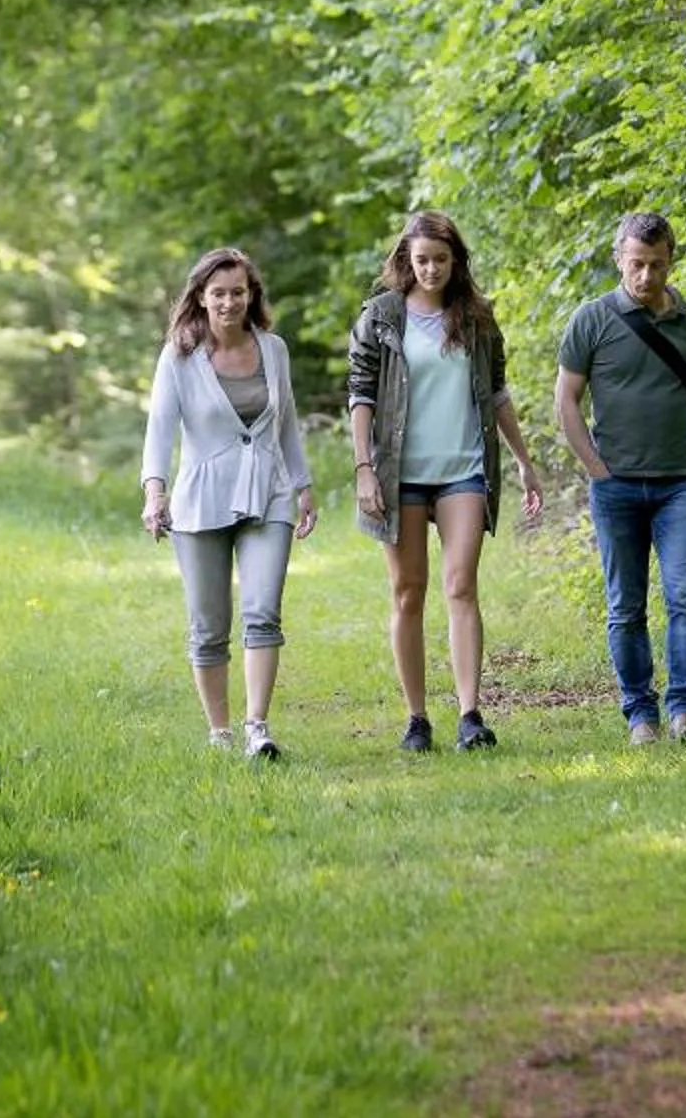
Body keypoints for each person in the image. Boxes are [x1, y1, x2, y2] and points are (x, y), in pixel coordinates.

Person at [345, 212, 545, 754]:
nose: (431, 269)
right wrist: (365, 468)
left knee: (461, 585)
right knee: (408, 592)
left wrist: (523, 460)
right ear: (406, 261)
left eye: (440, 259)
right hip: (400, 474)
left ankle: (470, 714)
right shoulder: (382, 318)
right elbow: (361, 395)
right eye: (421, 259)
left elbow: (497, 393)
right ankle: (416, 719)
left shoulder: (477, 318)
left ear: (455, 261)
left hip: (463, 469)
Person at [554, 212, 686, 745]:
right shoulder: (591, 320)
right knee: (626, 605)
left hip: (682, 484)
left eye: (657, 265)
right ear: (619, 258)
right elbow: (566, 402)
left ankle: (685, 711)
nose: (646, 277)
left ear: (671, 262)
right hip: (615, 486)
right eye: (637, 265)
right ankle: (640, 716)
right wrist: (596, 467)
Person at [142, 245, 318, 760]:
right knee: (208, 624)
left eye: (237, 292)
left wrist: (303, 486)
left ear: (251, 294)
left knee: (263, 611)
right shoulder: (179, 356)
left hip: (269, 494)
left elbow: (286, 424)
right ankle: (219, 732)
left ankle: (256, 727)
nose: (228, 302)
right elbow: (159, 430)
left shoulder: (275, 350)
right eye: (217, 293)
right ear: (200, 296)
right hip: (201, 501)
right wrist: (155, 491)